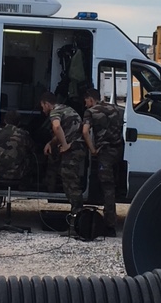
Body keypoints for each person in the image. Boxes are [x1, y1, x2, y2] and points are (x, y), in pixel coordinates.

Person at [82, 88, 124, 237]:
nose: (85, 104)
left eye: (86, 101)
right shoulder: (116, 108)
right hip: (118, 151)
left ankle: (110, 226)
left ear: (91, 99)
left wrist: (92, 149)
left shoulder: (91, 112)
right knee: (113, 186)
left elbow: (85, 131)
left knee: (107, 188)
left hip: (104, 153)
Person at [40, 91, 86, 218]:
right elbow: (65, 130)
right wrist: (51, 143)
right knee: (70, 179)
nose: (42, 109)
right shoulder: (66, 109)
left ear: (47, 104)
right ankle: (77, 213)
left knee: (70, 182)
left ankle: (78, 215)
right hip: (79, 147)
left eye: (42, 106)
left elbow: (57, 127)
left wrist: (64, 145)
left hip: (73, 149)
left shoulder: (54, 112)